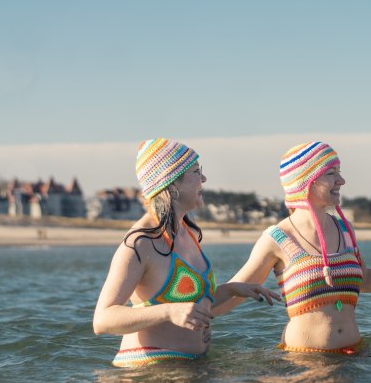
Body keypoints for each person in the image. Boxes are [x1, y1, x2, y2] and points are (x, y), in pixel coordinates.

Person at [216, 141, 371, 354]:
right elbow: (234, 292)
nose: (342, 181)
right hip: (305, 362)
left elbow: (365, 280)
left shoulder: (345, 229)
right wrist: (196, 313)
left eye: (339, 172)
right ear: (306, 181)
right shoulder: (278, 238)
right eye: (331, 173)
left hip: (355, 354)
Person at [93, 138, 281, 368]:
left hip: (188, 366)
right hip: (150, 372)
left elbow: (189, 307)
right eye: (196, 172)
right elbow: (103, 320)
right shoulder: (140, 243)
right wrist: (168, 311)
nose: (204, 179)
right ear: (172, 184)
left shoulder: (186, 232)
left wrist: (231, 290)